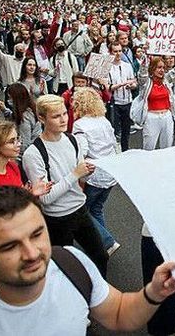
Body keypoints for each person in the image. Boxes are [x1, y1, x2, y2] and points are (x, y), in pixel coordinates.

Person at [0, 187, 175, 335]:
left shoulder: (71, 263)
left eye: (37, 234)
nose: (32, 253)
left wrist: (154, 292)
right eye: (10, 246)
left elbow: (118, 313)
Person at [22, 94, 109, 276]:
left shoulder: (72, 139)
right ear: (41, 118)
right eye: (56, 116)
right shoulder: (33, 153)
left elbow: (79, 181)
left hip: (80, 209)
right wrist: (75, 174)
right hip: (57, 218)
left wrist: (85, 174)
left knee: (101, 255)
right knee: (65, 269)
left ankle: (98, 296)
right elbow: (46, 198)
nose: (63, 119)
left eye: (64, 114)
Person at [72, 87, 120, 256]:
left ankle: (107, 241)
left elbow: (81, 153)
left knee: (82, 211)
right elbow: (114, 144)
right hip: (110, 173)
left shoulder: (80, 125)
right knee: (97, 209)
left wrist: (78, 175)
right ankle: (102, 244)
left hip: (94, 176)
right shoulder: (104, 120)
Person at [0, 121, 50, 202]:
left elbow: (17, 202)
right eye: (11, 141)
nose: (18, 144)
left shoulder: (13, 167)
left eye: (17, 139)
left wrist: (30, 193)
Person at [134, 55, 175, 151]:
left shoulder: (166, 80)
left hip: (167, 117)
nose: (162, 70)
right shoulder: (146, 83)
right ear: (152, 69)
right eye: (159, 67)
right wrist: (145, 56)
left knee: (167, 148)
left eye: (163, 67)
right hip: (151, 118)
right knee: (149, 148)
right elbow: (142, 74)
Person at [0, 83, 42, 159]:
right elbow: (14, 117)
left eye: (10, 98)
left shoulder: (24, 118)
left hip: (28, 154)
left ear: (17, 99)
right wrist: (4, 110)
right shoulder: (28, 108)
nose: (8, 101)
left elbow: (24, 143)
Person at [107, 41, 137, 151]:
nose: (118, 54)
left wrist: (132, 86)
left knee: (126, 129)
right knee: (113, 129)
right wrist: (121, 84)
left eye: (120, 51)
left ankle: (125, 150)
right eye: (115, 51)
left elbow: (133, 82)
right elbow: (108, 87)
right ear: (110, 53)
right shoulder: (108, 67)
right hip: (114, 103)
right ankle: (114, 150)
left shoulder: (127, 66)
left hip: (127, 101)